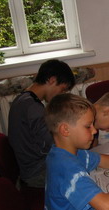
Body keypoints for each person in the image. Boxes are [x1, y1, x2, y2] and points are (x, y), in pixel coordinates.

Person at [8, 59, 75, 188]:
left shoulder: (24, 99)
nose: (61, 94)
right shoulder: (32, 107)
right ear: (52, 80)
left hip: (30, 165)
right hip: (36, 173)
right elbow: (52, 144)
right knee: (82, 166)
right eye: (62, 89)